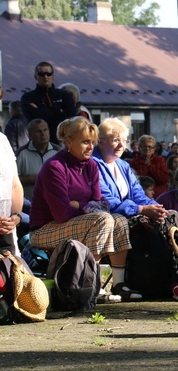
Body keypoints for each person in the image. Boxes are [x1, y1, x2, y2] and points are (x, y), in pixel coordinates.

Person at [28, 117, 133, 301]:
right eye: (85, 142)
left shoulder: (91, 165)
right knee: (103, 219)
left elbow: (99, 203)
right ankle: (91, 283)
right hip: (45, 229)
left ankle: (119, 284)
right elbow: (62, 214)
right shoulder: (54, 167)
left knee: (119, 220)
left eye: (92, 142)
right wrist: (87, 206)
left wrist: (78, 204)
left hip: (77, 221)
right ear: (68, 142)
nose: (90, 147)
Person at [92, 118, 168, 223]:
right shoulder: (92, 165)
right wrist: (140, 209)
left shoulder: (123, 165)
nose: (122, 145)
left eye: (124, 140)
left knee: (171, 216)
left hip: (129, 217)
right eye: (116, 140)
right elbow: (106, 201)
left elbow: (137, 193)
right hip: (109, 222)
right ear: (100, 142)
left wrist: (155, 207)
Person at [20, 62, 76, 144]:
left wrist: (40, 110)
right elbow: (32, 116)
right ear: (36, 76)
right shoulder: (28, 97)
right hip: (38, 144)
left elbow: (71, 116)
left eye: (48, 74)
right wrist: (58, 111)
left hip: (62, 143)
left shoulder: (64, 95)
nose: (45, 77)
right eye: (41, 74)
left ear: (53, 76)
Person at [17, 119, 61, 200]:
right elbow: (14, 180)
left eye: (45, 130)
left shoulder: (58, 151)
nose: (43, 134)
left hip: (54, 202)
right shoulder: (22, 153)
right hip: (29, 203)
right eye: (38, 131)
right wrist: (33, 178)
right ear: (30, 135)